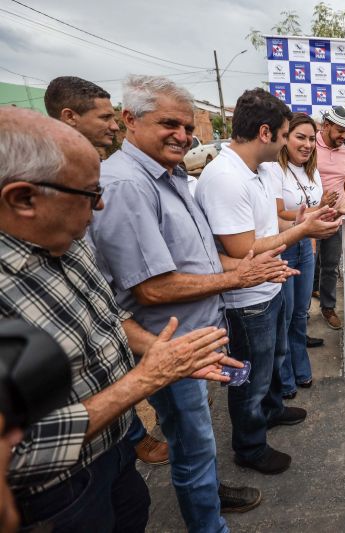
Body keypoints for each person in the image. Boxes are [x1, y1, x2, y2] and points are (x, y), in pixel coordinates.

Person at [0, 107, 243, 532]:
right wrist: (144, 380)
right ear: (23, 199)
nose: (102, 205)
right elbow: (20, 450)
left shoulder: (65, 244)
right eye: (90, 195)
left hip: (112, 454)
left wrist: (163, 351)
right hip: (54, 494)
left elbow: (110, 314)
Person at [89, 75, 286, 531]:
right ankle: (207, 522)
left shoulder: (172, 175)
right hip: (166, 346)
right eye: (168, 124)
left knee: (197, 438)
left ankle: (209, 497)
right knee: (194, 444)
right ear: (129, 120)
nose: (182, 134)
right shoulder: (127, 185)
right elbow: (152, 289)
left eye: (186, 124)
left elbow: (198, 256)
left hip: (195, 338)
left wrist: (239, 271)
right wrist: (237, 274)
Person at [196, 90, 345, 476]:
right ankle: (249, 446)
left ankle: (273, 409)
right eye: (283, 135)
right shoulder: (226, 178)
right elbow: (245, 249)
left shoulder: (261, 171)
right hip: (246, 300)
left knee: (274, 358)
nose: (286, 142)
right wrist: (303, 232)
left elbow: (271, 226)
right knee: (250, 376)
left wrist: (304, 219)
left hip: (271, 285)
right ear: (265, 132)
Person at [44, 75, 169, 467]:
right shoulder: (50, 171)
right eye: (105, 117)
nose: (114, 125)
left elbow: (100, 295)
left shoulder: (95, 169)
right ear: (70, 117)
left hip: (110, 311)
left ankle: (127, 435)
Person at [270, 114, 345, 399]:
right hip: (283, 247)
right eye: (301, 137)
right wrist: (317, 213)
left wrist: (337, 208)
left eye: (311, 139)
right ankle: (283, 376)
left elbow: (315, 209)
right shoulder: (274, 170)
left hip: (305, 247)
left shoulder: (311, 171)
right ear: (285, 138)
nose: (308, 144)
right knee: (284, 317)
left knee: (300, 314)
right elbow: (280, 215)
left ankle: (300, 364)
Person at [315, 106, 345, 330]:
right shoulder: (310, 146)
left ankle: (327, 307)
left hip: (336, 219)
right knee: (307, 266)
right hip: (310, 219)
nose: (343, 136)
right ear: (327, 125)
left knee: (330, 266)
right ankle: (299, 314)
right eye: (340, 130)